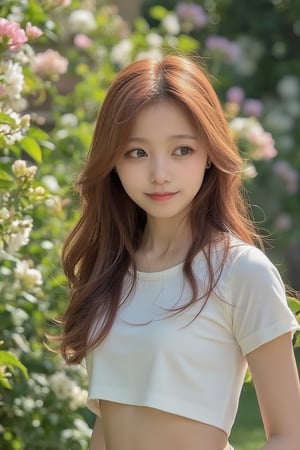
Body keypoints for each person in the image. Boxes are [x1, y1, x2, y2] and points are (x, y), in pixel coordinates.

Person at [57, 55, 300, 450]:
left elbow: (290, 436)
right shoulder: (111, 272)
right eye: (137, 152)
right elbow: (109, 426)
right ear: (113, 162)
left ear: (209, 153)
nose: (159, 174)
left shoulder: (240, 272)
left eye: (181, 150)